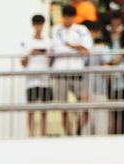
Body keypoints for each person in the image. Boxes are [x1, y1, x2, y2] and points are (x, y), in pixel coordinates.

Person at [52, 4, 94, 136]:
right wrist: (77, 48)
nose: (68, 19)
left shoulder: (81, 29)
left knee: (85, 103)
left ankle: (79, 129)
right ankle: (68, 133)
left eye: (71, 17)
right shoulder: (57, 29)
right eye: (66, 16)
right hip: (61, 72)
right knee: (63, 107)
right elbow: (58, 50)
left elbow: (87, 49)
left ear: (75, 17)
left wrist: (69, 46)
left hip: (78, 71)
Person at [22, 14, 54, 138]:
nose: (39, 27)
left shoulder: (48, 42)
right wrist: (30, 54)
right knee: (31, 109)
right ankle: (31, 134)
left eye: (40, 24)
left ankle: (43, 134)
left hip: (44, 80)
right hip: (31, 80)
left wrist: (48, 55)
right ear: (33, 25)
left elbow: (51, 63)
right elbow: (23, 62)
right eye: (37, 24)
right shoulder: (27, 42)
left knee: (44, 110)